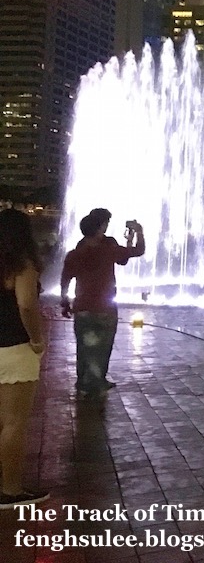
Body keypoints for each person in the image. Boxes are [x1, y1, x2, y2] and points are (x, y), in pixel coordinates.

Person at [60, 209, 144, 400]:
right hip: (104, 310)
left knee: (84, 346)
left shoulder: (76, 252)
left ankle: (84, 382)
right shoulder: (108, 250)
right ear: (99, 227)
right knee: (103, 347)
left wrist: (65, 301)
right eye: (105, 224)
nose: (106, 227)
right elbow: (138, 251)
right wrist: (139, 231)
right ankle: (96, 384)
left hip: (82, 308)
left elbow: (65, 279)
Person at [0, 208, 48, 507]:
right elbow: (27, 305)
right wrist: (37, 339)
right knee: (14, 422)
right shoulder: (22, 265)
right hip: (14, 347)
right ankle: (11, 490)